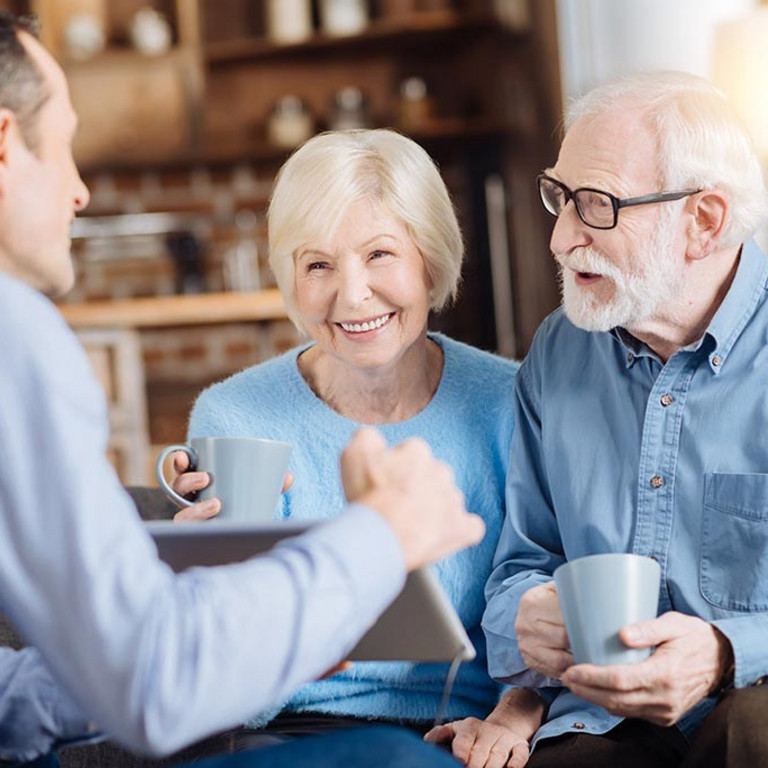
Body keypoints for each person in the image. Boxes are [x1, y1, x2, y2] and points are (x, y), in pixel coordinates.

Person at [0, 11, 484, 767]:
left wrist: (215, 609)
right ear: (5, 143)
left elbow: (89, 675)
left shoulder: (516, 400)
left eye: (381, 255)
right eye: (62, 147)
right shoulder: (19, 341)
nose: (81, 189)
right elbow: (157, 680)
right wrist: (377, 540)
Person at [169, 128, 535, 761]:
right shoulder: (234, 415)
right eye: (317, 265)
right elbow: (234, 695)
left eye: (379, 254)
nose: (352, 294)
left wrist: (514, 716)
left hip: (466, 734)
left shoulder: (512, 402)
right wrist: (214, 585)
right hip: (295, 732)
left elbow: (546, 595)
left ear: (431, 258)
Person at [481, 70, 768, 767]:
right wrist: (528, 621)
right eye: (560, 198)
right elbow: (524, 562)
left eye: (596, 205)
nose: (559, 239)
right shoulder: (559, 349)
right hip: (602, 717)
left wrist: (728, 652)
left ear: (704, 221)